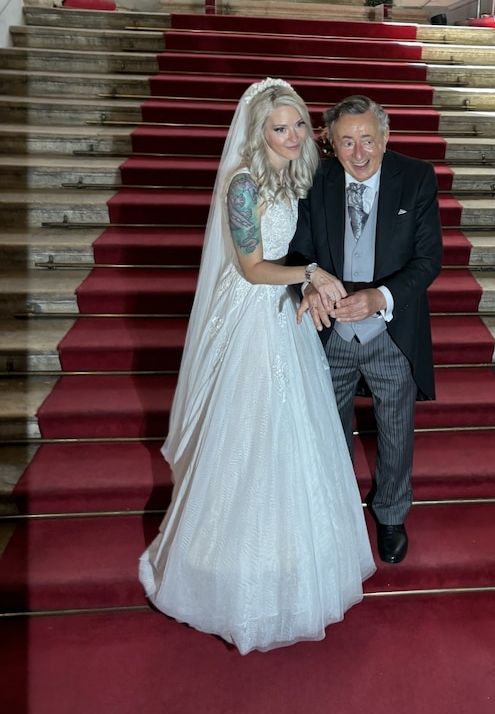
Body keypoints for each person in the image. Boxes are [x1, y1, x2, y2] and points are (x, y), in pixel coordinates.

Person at [138, 78, 375, 655]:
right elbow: (249, 268)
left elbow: (292, 249)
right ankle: (226, 567)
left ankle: (293, 559)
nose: (293, 136)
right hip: (247, 316)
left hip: (280, 316)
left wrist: (309, 274)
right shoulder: (242, 184)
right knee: (245, 435)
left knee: (292, 436)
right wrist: (311, 275)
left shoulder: (293, 175)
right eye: (280, 128)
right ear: (258, 131)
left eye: (298, 125)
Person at [290, 95, 443, 565]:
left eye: (368, 140)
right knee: (327, 430)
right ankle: (334, 512)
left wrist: (381, 297)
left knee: (396, 431)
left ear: (386, 137)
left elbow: (428, 261)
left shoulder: (415, 177)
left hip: (390, 332)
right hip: (329, 332)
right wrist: (310, 286)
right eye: (347, 142)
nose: (359, 154)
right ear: (330, 144)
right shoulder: (314, 180)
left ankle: (392, 515)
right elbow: (295, 250)